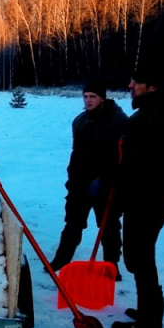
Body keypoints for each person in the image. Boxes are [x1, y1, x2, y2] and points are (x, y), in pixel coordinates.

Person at [111, 64, 164, 328]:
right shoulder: (162, 112)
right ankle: (148, 312)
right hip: (151, 198)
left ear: (152, 86)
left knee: (139, 257)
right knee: (139, 256)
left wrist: (117, 181)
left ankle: (150, 325)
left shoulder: (156, 117)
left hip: (147, 200)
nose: (130, 86)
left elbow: (139, 164)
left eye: (136, 82)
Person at [50, 81, 128, 275]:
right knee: (73, 223)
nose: (88, 100)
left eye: (93, 96)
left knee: (108, 226)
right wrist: (72, 178)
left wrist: (111, 180)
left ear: (103, 98)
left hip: (106, 184)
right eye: (85, 96)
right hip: (80, 183)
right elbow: (76, 153)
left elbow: (123, 156)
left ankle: (111, 266)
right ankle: (61, 260)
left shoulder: (118, 120)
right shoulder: (80, 121)